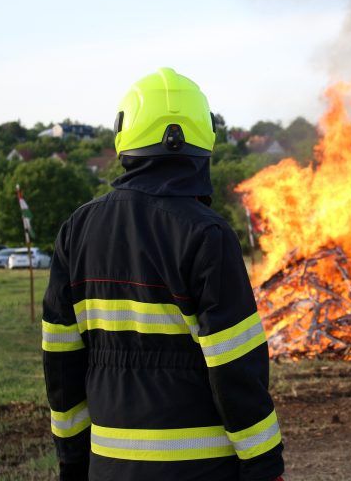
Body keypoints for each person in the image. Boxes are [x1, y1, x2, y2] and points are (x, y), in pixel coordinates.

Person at [42, 68, 285, 481]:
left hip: (108, 467)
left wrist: (72, 460)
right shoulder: (208, 234)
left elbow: (61, 362)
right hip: (202, 470)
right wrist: (264, 464)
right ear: (203, 138)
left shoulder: (76, 231)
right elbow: (235, 369)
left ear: (125, 135)